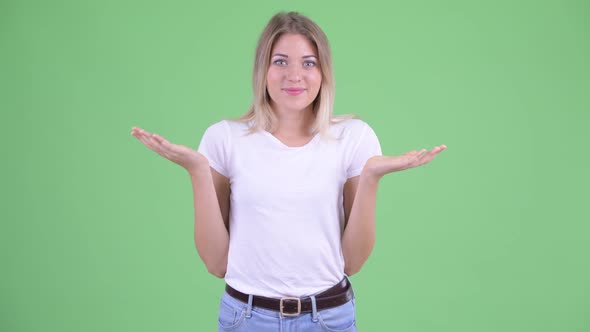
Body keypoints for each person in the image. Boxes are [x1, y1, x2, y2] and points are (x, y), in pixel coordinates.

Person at [131, 11, 445, 332]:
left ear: (323, 72)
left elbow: (353, 262)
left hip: (329, 318)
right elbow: (216, 263)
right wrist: (197, 170)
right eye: (280, 61)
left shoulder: (355, 137)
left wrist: (371, 178)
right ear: (262, 71)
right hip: (246, 319)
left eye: (308, 63)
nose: (295, 75)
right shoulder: (224, 138)